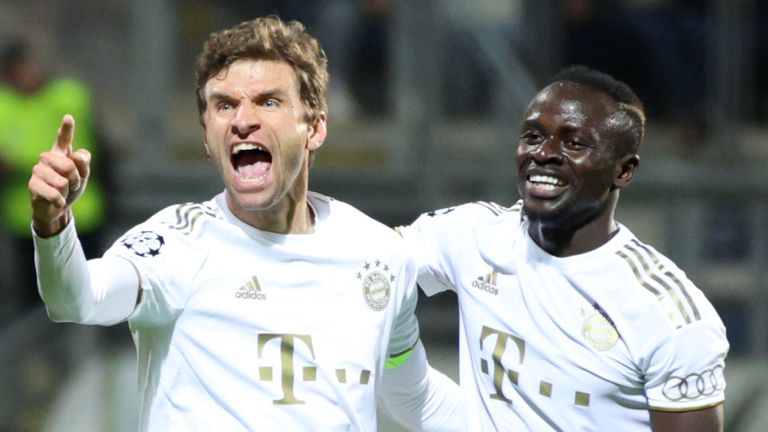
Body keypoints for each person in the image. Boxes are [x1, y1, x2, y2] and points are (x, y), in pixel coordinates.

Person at [29, 16, 461, 431]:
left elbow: (411, 390)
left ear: (314, 127)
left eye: (268, 101)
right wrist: (54, 225)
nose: (242, 120)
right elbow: (78, 298)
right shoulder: (177, 243)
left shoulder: (378, 254)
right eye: (224, 105)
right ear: (206, 136)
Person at [398, 65, 729, 431]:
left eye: (574, 143)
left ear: (624, 171)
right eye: (533, 136)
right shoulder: (471, 235)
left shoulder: (668, 315)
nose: (545, 153)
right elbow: (363, 264)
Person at [0, 38, 107, 314]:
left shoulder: (68, 95)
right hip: (25, 219)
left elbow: (86, 145)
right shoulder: (4, 103)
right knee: (36, 300)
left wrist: (23, 160)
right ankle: (44, 357)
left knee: (85, 292)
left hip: (81, 213)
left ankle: (82, 354)